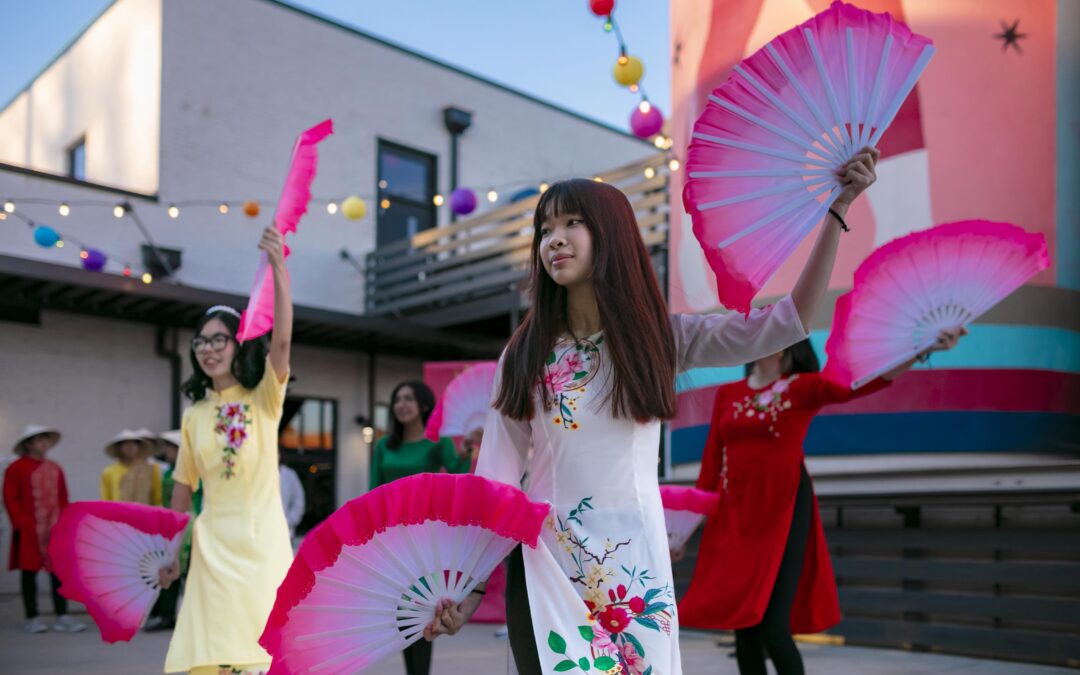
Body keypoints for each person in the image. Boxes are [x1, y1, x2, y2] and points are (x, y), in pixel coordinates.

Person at [424, 147, 879, 675]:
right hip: (545, 562)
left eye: (573, 223)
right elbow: (496, 480)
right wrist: (470, 584)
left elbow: (787, 323)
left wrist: (838, 210)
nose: (555, 239)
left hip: (634, 568)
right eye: (545, 229)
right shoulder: (523, 354)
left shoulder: (659, 339)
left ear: (612, 236)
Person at [678, 333, 963, 675]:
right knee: (745, 626)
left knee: (773, 627)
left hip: (783, 511)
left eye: (763, 329)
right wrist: (680, 532)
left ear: (783, 343)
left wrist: (921, 350)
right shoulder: (728, 394)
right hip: (737, 518)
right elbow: (709, 470)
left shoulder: (803, 388)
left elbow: (860, 384)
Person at [159, 225, 294, 675]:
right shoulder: (194, 414)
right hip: (211, 552)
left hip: (264, 549)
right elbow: (182, 493)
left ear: (239, 346)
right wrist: (171, 555)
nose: (208, 349)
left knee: (265, 654)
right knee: (212, 659)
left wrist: (278, 268)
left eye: (219, 339)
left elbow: (282, 342)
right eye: (200, 342)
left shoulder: (264, 398)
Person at [370, 379, 471, 675]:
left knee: (423, 612)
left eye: (408, 399)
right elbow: (372, 492)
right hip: (392, 540)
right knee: (400, 614)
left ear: (424, 405)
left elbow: (457, 474)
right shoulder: (383, 446)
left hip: (425, 541)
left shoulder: (437, 443)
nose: (401, 404)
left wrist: (465, 451)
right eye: (397, 399)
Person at [3, 425, 86, 634]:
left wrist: (65, 522)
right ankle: (32, 617)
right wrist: (22, 523)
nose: (44, 443)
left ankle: (62, 616)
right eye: (40, 440)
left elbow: (62, 497)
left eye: (46, 439)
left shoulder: (55, 468)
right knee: (29, 573)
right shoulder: (16, 468)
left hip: (54, 527)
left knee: (58, 572)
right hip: (29, 527)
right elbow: (10, 498)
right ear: (29, 444)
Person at [100, 429, 162, 506]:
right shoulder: (109, 472)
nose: (130, 447)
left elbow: (157, 496)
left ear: (139, 447)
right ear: (119, 448)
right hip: (119, 513)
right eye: (125, 444)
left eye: (134, 443)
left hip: (144, 513)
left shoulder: (151, 469)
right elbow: (106, 499)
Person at [278, 451, 304, 544]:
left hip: (286, 531)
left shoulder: (290, 475)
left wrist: (290, 520)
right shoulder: (262, 474)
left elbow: (298, 501)